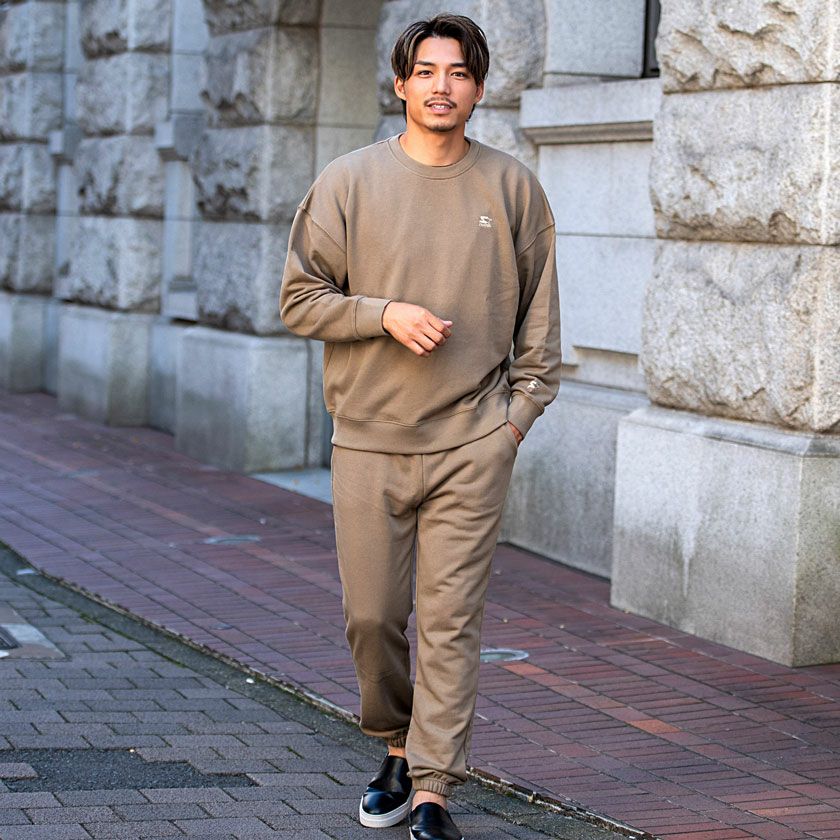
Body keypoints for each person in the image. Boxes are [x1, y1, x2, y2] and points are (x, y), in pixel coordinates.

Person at [279, 13, 561, 840]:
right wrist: (383, 313)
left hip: (474, 442)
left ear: (479, 88)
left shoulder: (512, 187)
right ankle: (396, 742)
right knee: (372, 619)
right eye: (427, 71)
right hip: (369, 440)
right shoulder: (348, 182)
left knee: (449, 622)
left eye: (459, 72)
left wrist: (514, 422)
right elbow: (299, 299)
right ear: (401, 83)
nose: (443, 86)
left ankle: (433, 787)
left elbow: (541, 326)